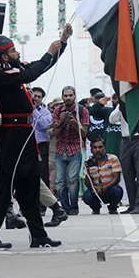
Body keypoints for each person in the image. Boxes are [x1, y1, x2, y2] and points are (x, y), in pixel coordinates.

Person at [0, 26, 72, 249]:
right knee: (4, 185)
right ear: (4, 56)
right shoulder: (3, 74)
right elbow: (34, 72)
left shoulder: (14, 69)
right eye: (13, 51)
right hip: (13, 135)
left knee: (29, 184)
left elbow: (39, 66)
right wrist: (49, 51)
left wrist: (62, 41)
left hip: (24, 135)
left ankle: (38, 235)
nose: (17, 54)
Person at [51, 85, 88, 215]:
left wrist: (74, 122)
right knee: (59, 182)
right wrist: (61, 121)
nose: (68, 98)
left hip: (75, 148)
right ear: (62, 97)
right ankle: (65, 208)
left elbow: (84, 134)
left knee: (73, 179)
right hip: (61, 149)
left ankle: (74, 207)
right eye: (65, 96)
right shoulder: (57, 110)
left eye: (70, 95)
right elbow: (55, 133)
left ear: (75, 96)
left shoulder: (82, 111)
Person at [116, 99, 139, 214]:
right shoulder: (121, 104)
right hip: (125, 140)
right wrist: (120, 108)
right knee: (127, 174)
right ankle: (132, 204)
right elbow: (112, 119)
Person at [82, 138, 124, 214]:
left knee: (117, 190)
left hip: (110, 189)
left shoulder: (113, 158)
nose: (97, 150)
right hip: (96, 191)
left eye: (100, 147)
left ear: (104, 148)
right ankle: (96, 208)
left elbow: (117, 179)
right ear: (91, 150)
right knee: (87, 196)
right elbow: (88, 185)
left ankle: (113, 208)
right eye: (95, 148)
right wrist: (87, 172)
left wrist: (104, 188)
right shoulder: (89, 163)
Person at [31, 87, 52, 196]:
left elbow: (45, 125)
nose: (36, 98)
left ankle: (42, 205)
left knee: (42, 174)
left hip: (41, 145)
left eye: (39, 97)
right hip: (27, 145)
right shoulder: (24, 109)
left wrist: (34, 110)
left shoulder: (45, 112)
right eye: (34, 96)